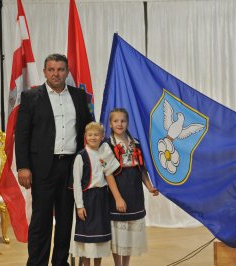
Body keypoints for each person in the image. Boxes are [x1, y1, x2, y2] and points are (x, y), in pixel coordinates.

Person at [15, 53, 93, 266]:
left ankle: (60, 262)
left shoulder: (79, 96)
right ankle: (37, 262)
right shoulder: (31, 97)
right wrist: (23, 167)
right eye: (51, 69)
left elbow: (89, 129)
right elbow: (22, 135)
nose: (56, 73)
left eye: (60, 69)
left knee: (66, 219)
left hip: (70, 168)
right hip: (42, 169)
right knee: (41, 221)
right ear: (44, 72)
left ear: (67, 72)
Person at [103, 108, 159, 266]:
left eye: (123, 121)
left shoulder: (136, 143)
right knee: (118, 233)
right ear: (110, 124)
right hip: (118, 190)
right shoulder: (107, 146)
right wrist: (118, 198)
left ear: (127, 123)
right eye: (116, 121)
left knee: (128, 234)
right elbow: (108, 175)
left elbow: (141, 169)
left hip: (134, 191)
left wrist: (149, 187)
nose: (119, 124)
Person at [70, 122, 120, 266]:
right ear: (85, 136)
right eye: (90, 135)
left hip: (101, 199)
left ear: (102, 137)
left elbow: (108, 173)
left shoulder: (103, 155)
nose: (93, 137)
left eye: (96, 135)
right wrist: (80, 205)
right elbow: (77, 184)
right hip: (87, 199)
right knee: (87, 240)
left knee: (100, 238)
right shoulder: (81, 156)